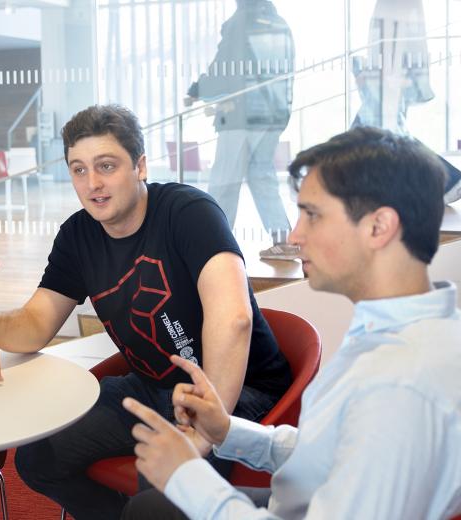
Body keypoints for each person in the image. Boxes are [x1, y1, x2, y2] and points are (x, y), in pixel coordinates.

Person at [0, 104, 293, 519]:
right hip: (152, 389)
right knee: (39, 457)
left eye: (106, 165)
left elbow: (234, 318)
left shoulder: (188, 211)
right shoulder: (78, 235)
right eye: (79, 170)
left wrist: (202, 428)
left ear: (140, 165)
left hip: (241, 391)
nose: (93, 184)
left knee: (158, 488)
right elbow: (37, 323)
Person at [122, 126, 461, 519]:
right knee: (148, 507)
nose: (296, 235)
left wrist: (186, 476)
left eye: (312, 215)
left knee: (152, 508)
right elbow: (330, 451)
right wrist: (227, 430)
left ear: (378, 227)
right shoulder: (399, 331)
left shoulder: (399, 384)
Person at [185, 0, 296, 260]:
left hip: (240, 116)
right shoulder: (279, 23)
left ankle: (212, 243)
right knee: (262, 176)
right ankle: (283, 240)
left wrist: (197, 90)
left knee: (225, 181)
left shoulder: (240, 22)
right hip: (273, 114)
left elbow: (224, 67)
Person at [352, 0, 461, 205]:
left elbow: (394, 46)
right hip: (389, 81)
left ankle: (446, 178)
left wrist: (385, 79)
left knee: (382, 135)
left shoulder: (394, 8)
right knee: (386, 136)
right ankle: (445, 178)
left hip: (389, 81)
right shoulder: (395, 9)